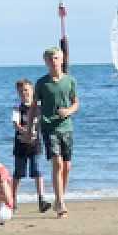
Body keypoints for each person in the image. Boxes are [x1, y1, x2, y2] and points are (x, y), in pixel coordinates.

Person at [31, 47, 78, 217]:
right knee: (57, 163)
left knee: (67, 166)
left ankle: (60, 198)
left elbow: (75, 103)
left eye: (56, 58)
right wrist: (30, 129)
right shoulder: (42, 83)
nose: (54, 62)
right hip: (49, 127)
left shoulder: (70, 80)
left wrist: (68, 111)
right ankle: (61, 202)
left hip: (66, 127)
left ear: (62, 59)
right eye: (50, 59)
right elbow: (34, 107)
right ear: (46, 62)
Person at [11, 78, 46, 211]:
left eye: (26, 90)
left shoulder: (38, 107)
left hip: (35, 143)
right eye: (21, 91)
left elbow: (42, 121)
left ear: (32, 91)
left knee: (37, 170)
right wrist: (24, 130)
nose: (24, 93)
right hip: (21, 143)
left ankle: (41, 198)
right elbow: (15, 123)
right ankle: (13, 199)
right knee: (18, 173)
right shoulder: (17, 108)